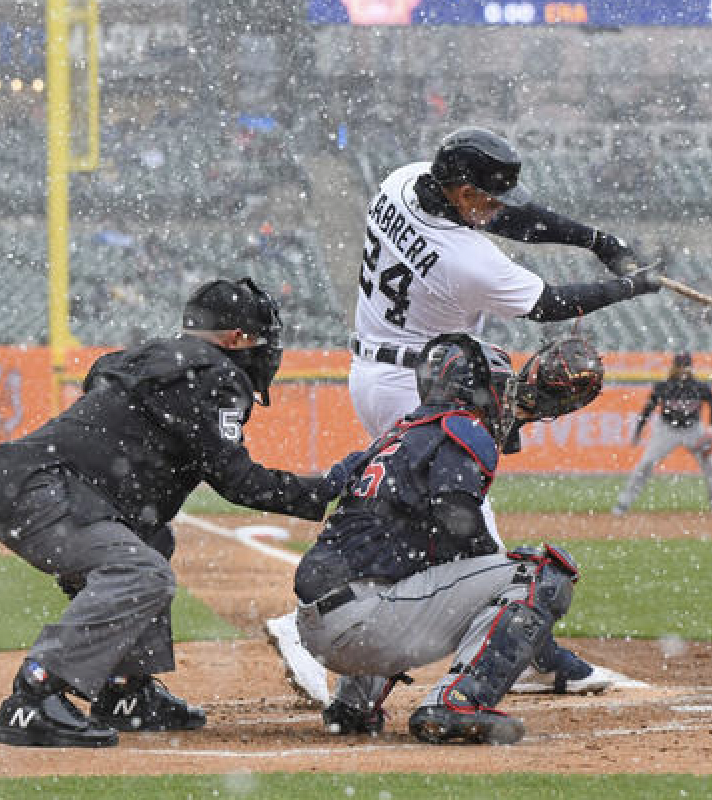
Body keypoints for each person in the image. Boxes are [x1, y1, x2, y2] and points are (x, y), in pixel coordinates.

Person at [267, 125, 658, 703]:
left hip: (379, 368)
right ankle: (529, 653)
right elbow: (547, 304)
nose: (494, 209)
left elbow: (507, 219)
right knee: (471, 532)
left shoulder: (402, 181)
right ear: (459, 188)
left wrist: (595, 238)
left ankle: (344, 636)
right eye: (485, 196)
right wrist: (628, 285)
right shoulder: (466, 258)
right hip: (418, 383)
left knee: (414, 521)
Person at [0, 278, 357, 748]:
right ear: (236, 339)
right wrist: (328, 490)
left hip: (28, 481)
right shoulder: (214, 372)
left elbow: (105, 385)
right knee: (142, 574)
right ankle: (34, 695)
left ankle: (125, 691)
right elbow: (238, 481)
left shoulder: (158, 356)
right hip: (45, 489)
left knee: (151, 540)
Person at [293, 333, 603, 744]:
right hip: (364, 626)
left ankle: (353, 704)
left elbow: (330, 488)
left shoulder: (398, 434)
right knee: (541, 575)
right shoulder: (464, 428)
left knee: (412, 563)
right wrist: (509, 596)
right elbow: (458, 521)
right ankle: (459, 702)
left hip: (320, 625)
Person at [613, 352, 712, 516]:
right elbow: (648, 409)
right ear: (674, 367)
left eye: (685, 366)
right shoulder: (664, 386)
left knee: (711, 464)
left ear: (690, 367)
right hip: (666, 430)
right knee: (646, 463)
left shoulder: (698, 386)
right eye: (680, 366)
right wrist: (639, 430)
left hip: (693, 429)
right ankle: (624, 503)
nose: (682, 369)